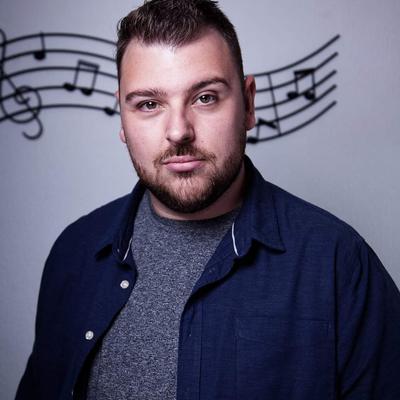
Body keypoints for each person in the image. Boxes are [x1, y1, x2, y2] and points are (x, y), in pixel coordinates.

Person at [16, 0, 400, 399]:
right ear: (123, 118)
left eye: (205, 98)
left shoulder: (339, 263)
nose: (178, 131)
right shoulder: (74, 252)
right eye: (149, 104)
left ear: (248, 103)